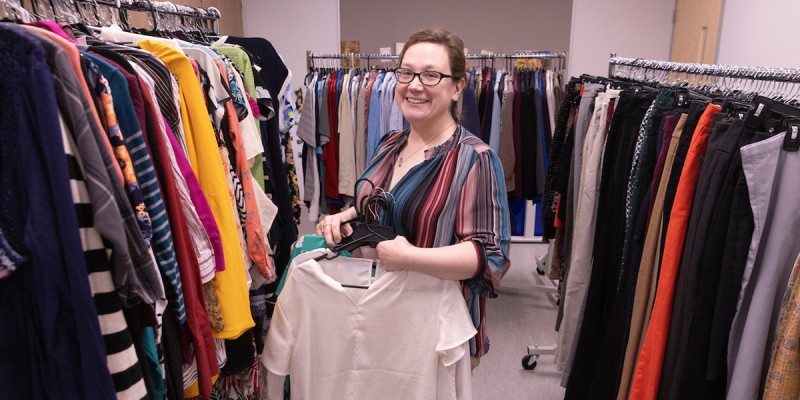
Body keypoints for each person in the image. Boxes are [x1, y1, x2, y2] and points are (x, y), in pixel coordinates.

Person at [315, 27, 511, 362]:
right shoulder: (391, 143)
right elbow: (381, 204)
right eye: (407, 72)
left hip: (435, 331)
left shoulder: (473, 159)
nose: (415, 85)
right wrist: (348, 215)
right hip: (378, 313)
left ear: (457, 87)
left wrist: (410, 258)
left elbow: (490, 258)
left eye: (431, 75)